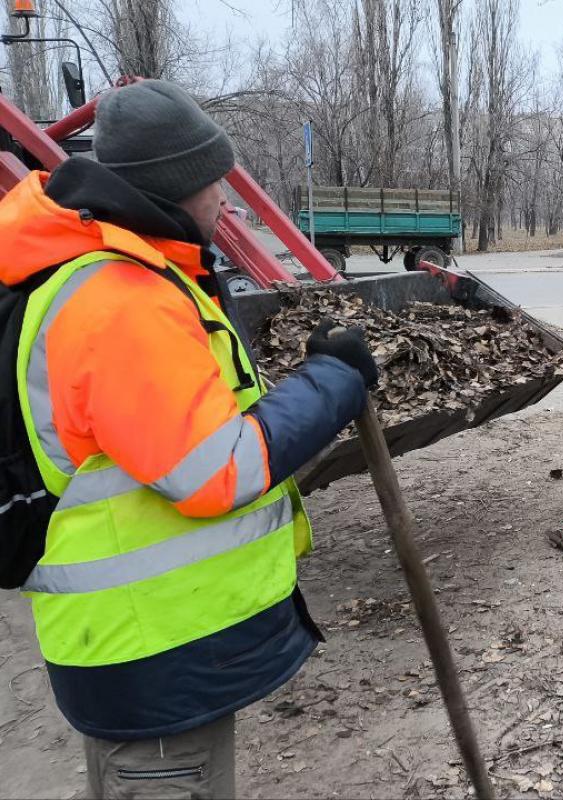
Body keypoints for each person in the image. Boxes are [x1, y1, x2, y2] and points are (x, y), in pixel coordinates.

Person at [0, 80, 377, 798]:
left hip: (144, 651)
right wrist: (332, 382)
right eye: (213, 186)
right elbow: (215, 471)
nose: (225, 204)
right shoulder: (119, 301)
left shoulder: (111, 277)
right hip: (150, 655)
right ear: (173, 190)